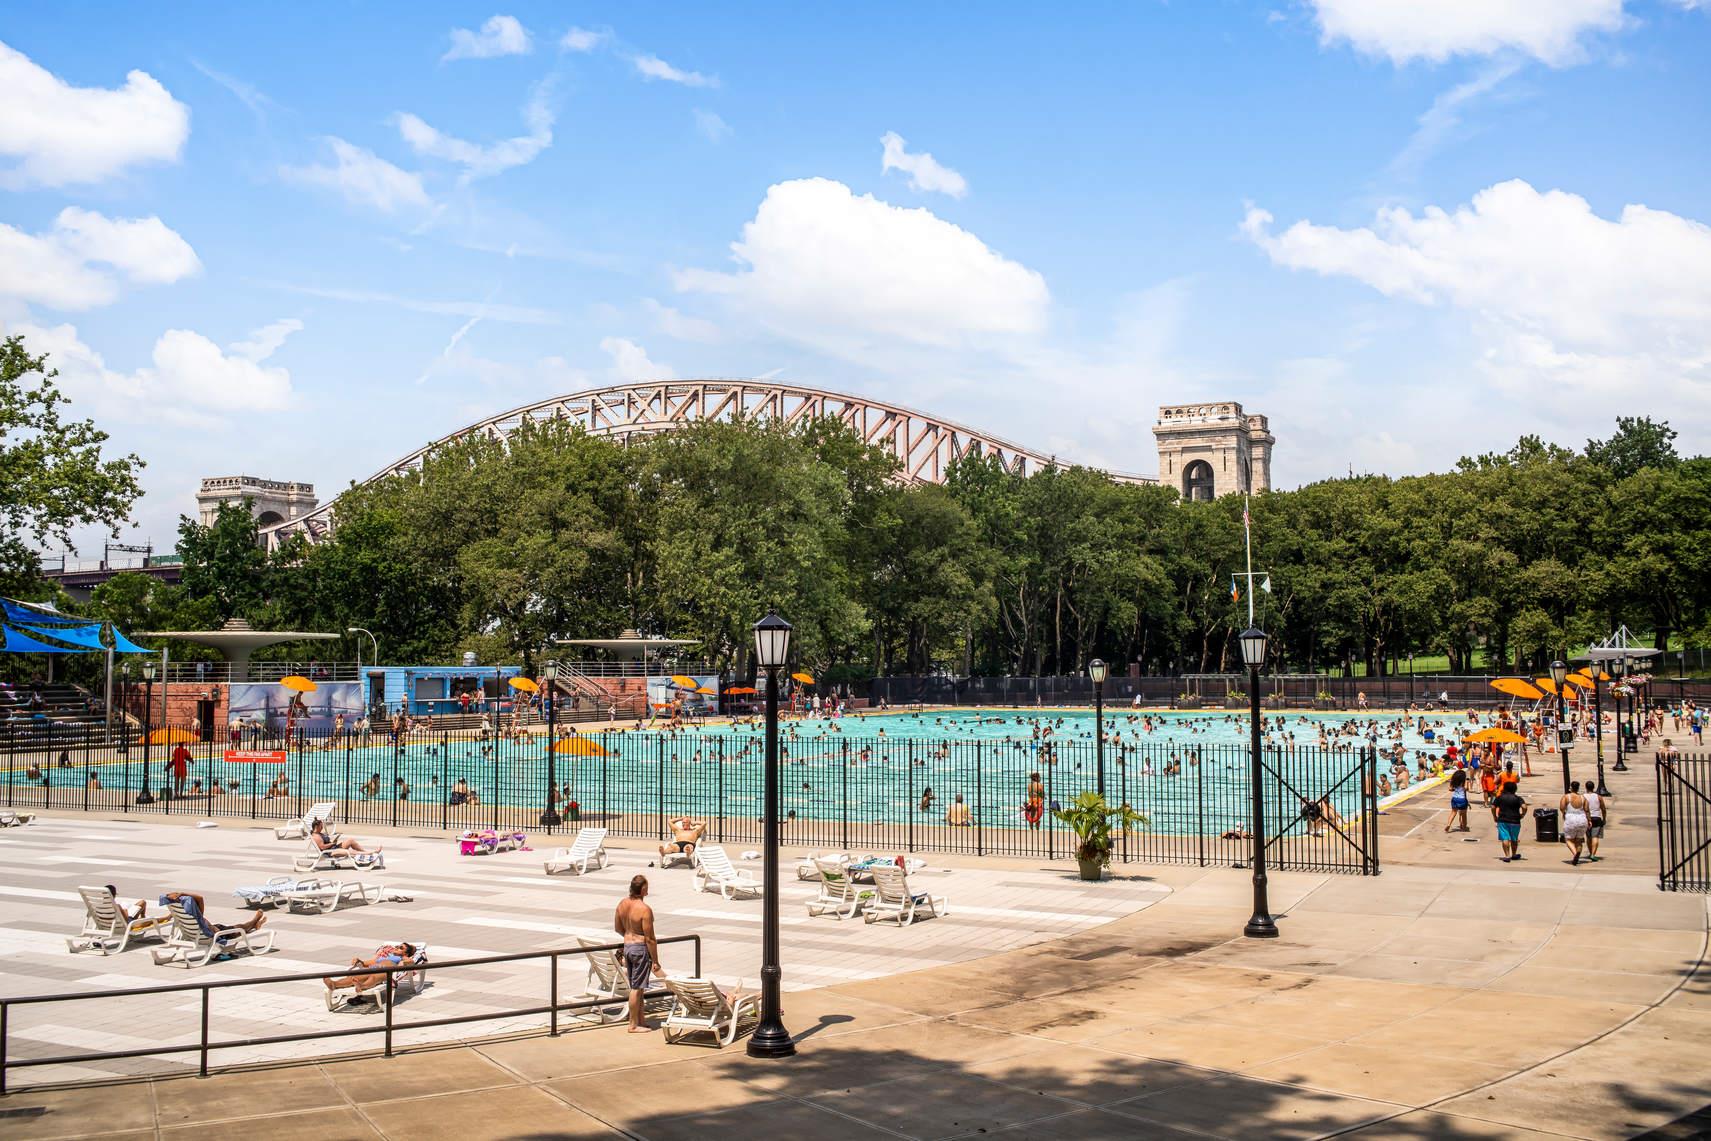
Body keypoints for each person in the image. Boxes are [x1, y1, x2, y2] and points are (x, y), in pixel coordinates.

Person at [615, 875, 666, 1032]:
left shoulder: (622, 904)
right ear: (643, 889)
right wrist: (656, 961)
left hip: (628, 946)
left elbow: (617, 928)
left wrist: (629, 935)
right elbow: (650, 938)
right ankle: (633, 1024)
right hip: (640, 948)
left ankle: (641, 1020)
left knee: (639, 986)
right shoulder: (645, 910)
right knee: (636, 988)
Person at [322, 942, 419, 997]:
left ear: (405, 953)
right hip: (374, 968)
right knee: (354, 977)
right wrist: (359, 961)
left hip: (387, 971)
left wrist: (404, 961)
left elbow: (411, 962)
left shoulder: (402, 958)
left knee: (374, 977)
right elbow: (366, 963)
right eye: (397, 946)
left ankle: (362, 986)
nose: (397, 947)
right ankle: (334, 984)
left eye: (400, 948)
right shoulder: (385, 956)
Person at [160, 890, 267, 937]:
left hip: (208, 931)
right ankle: (255, 922)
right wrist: (183, 893)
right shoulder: (198, 916)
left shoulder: (182, 916)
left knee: (238, 927)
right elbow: (200, 898)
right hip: (218, 934)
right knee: (240, 927)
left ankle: (256, 923)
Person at [1491, 780, 1527, 862]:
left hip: (1503, 820)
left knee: (1505, 838)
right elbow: (1524, 807)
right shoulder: (1518, 798)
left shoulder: (1500, 797)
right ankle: (1514, 854)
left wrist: (1494, 816)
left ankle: (1507, 856)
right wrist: (1522, 815)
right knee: (1514, 839)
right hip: (1515, 821)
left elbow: (1493, 807)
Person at [310, 818, 382, 856]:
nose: (322, 827)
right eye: (321, 826)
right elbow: (322, 847)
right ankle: (371, 853)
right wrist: (332, 843)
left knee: (350, 840)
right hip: (330, 852)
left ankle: (365, 852)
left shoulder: (319, 833)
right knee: (350, 852)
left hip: (333, 848)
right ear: (316, 826)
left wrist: (334, 840)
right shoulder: (316, 836)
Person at [1560, 781, 1591, 866]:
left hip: (1570, 819)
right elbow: (1587, 810)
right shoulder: (1583, 798)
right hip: (1582, 819)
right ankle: (1578, 852)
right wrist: (1589, 820)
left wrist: (1564, 813)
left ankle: (1575, 854)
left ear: (1571, 787)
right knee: (1579, 840)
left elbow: (1562, 807)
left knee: (1569, 840)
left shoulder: (1567, 797)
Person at [1583, 783, 1609, 862]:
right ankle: (1593, 854)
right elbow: (1603, 809)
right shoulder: (1598, 797)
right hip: (1597, 818)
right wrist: (1604, 818)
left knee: (1588, 837)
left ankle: (1591, 853)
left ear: (1586, 787)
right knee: (1595, 837)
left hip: (1587, 818)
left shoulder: (1583, 796)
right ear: (1593, 787)